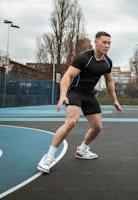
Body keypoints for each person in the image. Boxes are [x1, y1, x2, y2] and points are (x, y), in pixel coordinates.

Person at [37, 31, 122, 173]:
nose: (107, 45)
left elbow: (109, 80)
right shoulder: (84, 58)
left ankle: (82, 150)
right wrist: (63, 95)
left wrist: (115, 100)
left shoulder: (107, 62)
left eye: (109, 43)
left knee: (97, 127)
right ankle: (49, 156)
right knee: (71, 121)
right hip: (75, 92)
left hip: (89, 95)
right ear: (96, 42)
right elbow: (67, 76)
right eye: (104, 42)